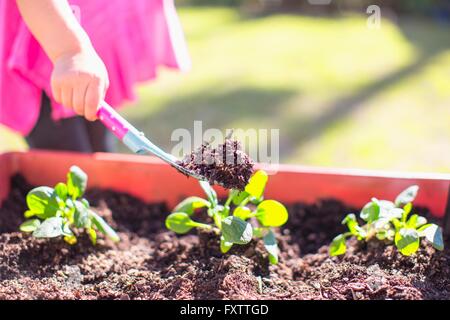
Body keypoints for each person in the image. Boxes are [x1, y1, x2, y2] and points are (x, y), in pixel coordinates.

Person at [0, 0, 190, 152]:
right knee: (68, 160)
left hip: (96, 35)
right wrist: (70, 51)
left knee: (99, 151)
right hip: (49, 41)